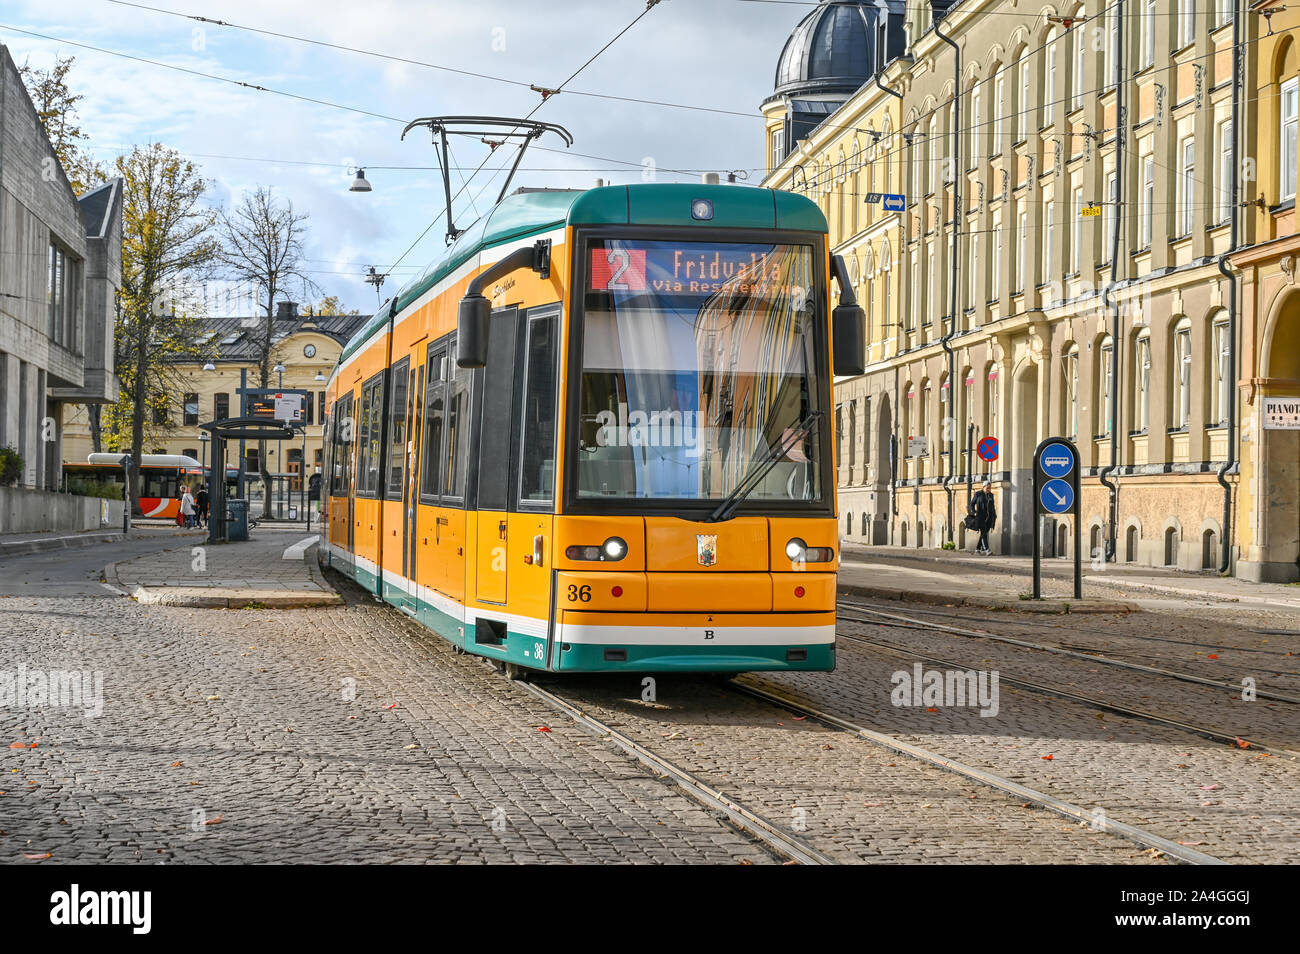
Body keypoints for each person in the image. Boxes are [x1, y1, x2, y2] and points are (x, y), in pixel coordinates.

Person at [970, 480, 997, 554]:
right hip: (980, 517)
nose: (989, 489)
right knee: (984, 532)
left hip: (989, 518)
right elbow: (972, 504)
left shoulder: (991, 495)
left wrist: (994, 515)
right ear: (983, 487)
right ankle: (987, 550)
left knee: (983, 533)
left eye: (989, 488)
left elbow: (992, 507)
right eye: (987, 488)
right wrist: (974, 512)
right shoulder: (978, 494)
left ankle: (977, 549)